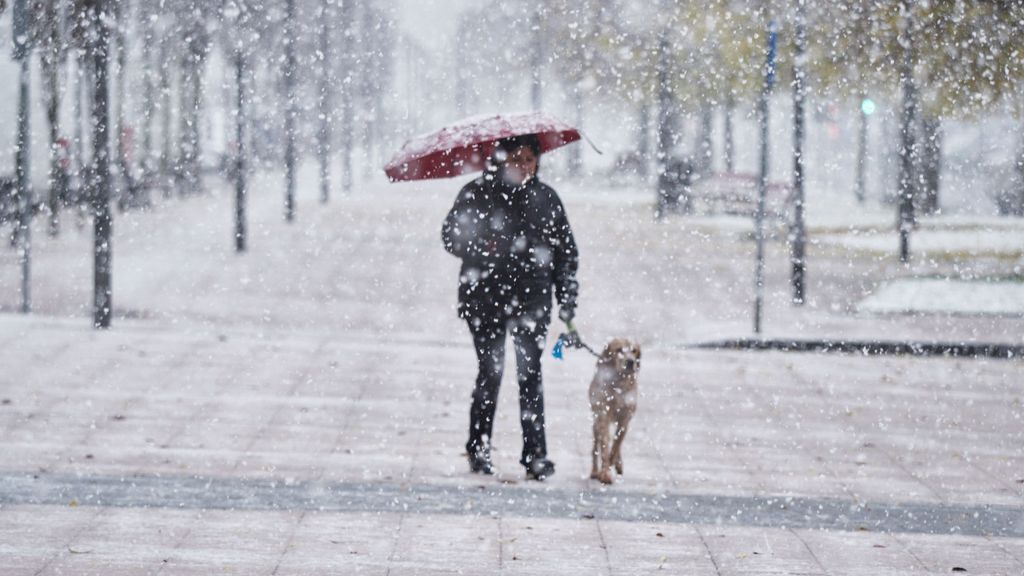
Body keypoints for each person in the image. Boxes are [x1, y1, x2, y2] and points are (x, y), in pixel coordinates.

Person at [441, 134, 579, 481]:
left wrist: (567, 300)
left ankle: (536, 455)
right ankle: (479, 447)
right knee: (491, 370)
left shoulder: (546, 198)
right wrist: (482, 245)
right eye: (516, 158)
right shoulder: (477, 193)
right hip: (484, 297)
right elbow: (449, 235)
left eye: (530, 158)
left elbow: (565, 253)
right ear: (500, 159)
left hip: (532, 300)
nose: (524, 165)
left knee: (530, 374)